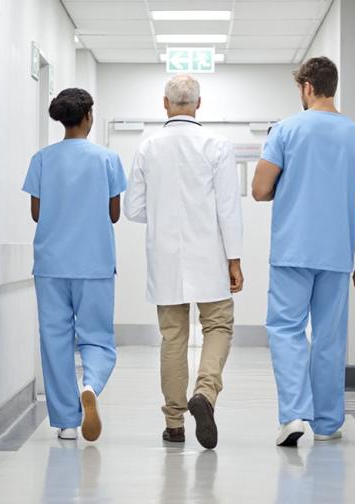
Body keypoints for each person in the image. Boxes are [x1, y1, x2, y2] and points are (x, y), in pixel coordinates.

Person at [252, 56, 355, 447]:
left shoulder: (286, 130)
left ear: (306, 87)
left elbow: (259, 189)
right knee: (329, 336)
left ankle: (292, 414)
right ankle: (326, 422)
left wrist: (285, 185)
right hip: (337, 255)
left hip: (293, 250)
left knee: (286, 331)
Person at [124, 74, 244, 450]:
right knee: (218, 325)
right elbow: (228, 207)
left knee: (173, 336)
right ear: (199, 104)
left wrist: (163, 217)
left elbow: (133, 209)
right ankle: (205, 395)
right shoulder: (217, 144)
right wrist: (235, 259)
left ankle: (174, 423)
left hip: (166, 258)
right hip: (210, 253)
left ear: (164, 104)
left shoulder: (148, 147)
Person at [22, 87, 127, 442]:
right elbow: (114, 215)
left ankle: (67, 422)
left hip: (50, 264)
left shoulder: (42, 159)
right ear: (88, 117)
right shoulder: (107, 159)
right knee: (96, 337)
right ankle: (92, 386)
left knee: (55, 340)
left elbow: (37, 213)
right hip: (95, 263)